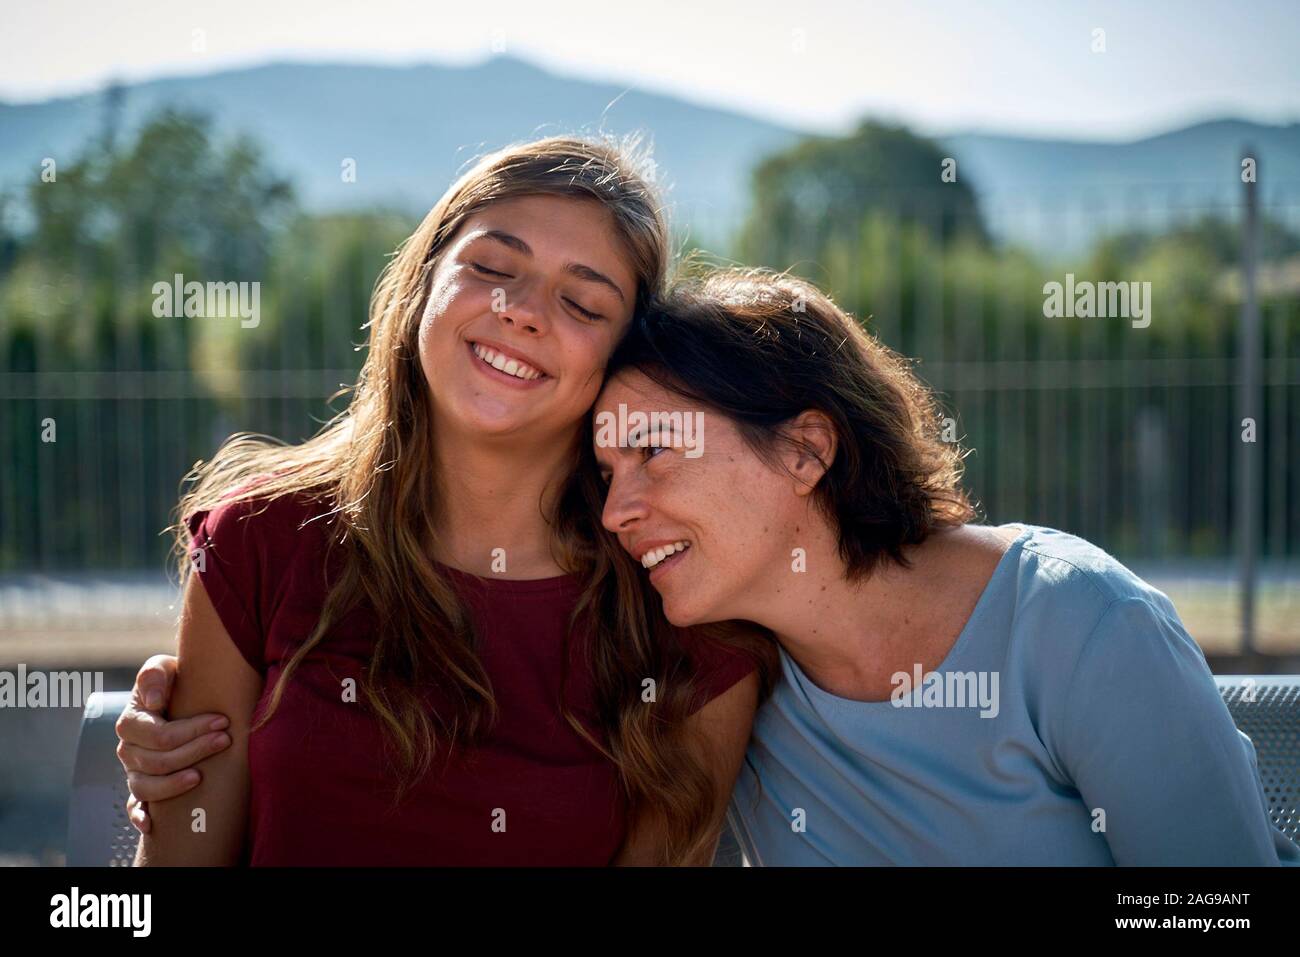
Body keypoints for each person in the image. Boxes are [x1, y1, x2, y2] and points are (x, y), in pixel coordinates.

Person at [122, 138, 776, 866]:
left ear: (619, 359)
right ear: (423, 280)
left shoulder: (684, 607)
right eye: (493, 267)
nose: (523, 311)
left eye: (584, 303)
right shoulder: (260, 537)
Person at [591, 267, 1300, 865]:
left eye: (653, 450)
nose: (615, 510)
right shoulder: (731, 678)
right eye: (606, 471)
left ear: (806, 449)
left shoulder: (1079, 621)